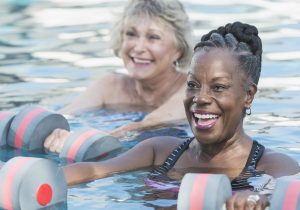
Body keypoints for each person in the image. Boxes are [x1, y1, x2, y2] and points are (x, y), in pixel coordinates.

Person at [62, 22, 300, 209]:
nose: (200, 98)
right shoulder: (159, 152)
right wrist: (50, 177)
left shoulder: (273, 165)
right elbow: (96, 171)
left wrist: (256, 199)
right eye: (193, 85)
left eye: (218, 87)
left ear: (248, 95)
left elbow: (280, 193)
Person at [44, 0, 193, 152]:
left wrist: (88, 141)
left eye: (153, 37)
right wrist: (54, 131)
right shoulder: (110, 86)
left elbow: (149, 124)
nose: (139, 47)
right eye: (131, 34)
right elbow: (65, 116)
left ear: (179, 49)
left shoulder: (194, 88)